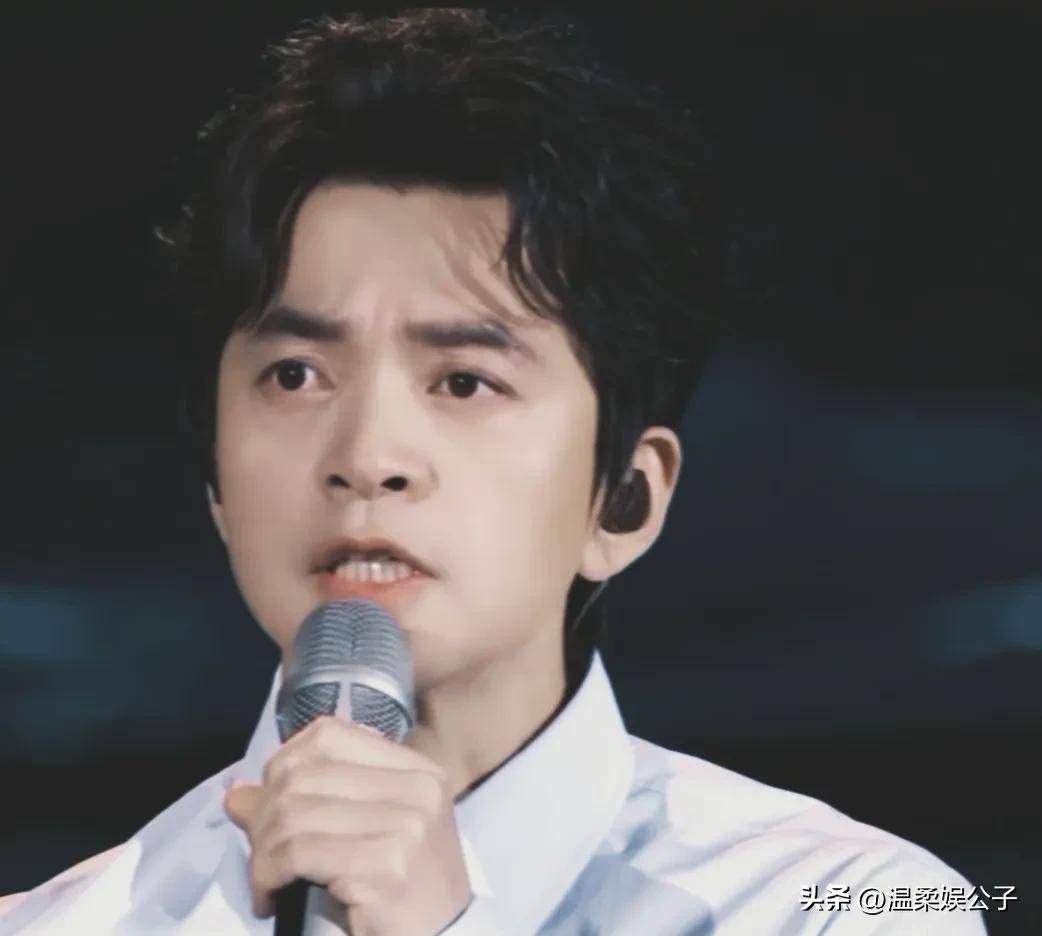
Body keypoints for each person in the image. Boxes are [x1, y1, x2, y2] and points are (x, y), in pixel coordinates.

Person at [1, 9, 985, 935]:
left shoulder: (844, 904)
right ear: (216, 478)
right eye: (295, 375)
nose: (367, 459)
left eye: (465, 382)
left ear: (624, 499)